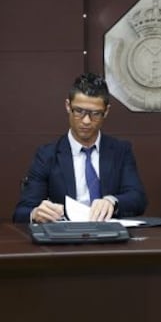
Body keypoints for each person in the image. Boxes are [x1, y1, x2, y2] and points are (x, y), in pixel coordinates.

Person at [13, 72, 147, 223]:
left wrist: (112, 201)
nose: (86, 121)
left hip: (110, 238)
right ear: (68, 106)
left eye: (95, 114)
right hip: (65, 240)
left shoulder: (120, 151)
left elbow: (138, 198)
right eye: (79, 111)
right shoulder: (47, 155)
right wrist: (36, 213)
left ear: (107, 111)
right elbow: (21, 212)